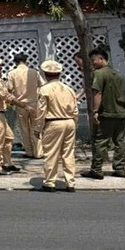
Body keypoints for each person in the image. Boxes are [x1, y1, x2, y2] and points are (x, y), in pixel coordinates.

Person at [84, 47, 125, 180]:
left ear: (101, 58)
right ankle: (120, 168)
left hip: (106, 113)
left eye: (93, 60)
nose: (92, 63)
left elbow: (97, 93)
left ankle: (96, 169)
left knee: (99, 141)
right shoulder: (118, 74)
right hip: (120, 112)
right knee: (120, 142)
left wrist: (95, 111)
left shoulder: (99, 73)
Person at [36, 60, 78, 192]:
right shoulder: (69, 89)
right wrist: (74, 123)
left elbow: (41, 111)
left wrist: (37, 128)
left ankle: (50, 182)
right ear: (59, 74)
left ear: (45, 74)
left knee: (51, 153)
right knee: (68, 153)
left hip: (53, 122)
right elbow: (75, 110)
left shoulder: (44, 89)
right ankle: (70, 182)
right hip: (69, 121)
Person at [7, 53, 44, 159]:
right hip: (34, 103)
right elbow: (42, 85)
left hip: (21, 104)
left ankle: (29, 152)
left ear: (15, 62)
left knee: (24, 129)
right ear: (26, 61)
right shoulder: (34, 72)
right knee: (36, 127)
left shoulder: (12, 73)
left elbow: (9, 89)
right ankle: (38, 152)